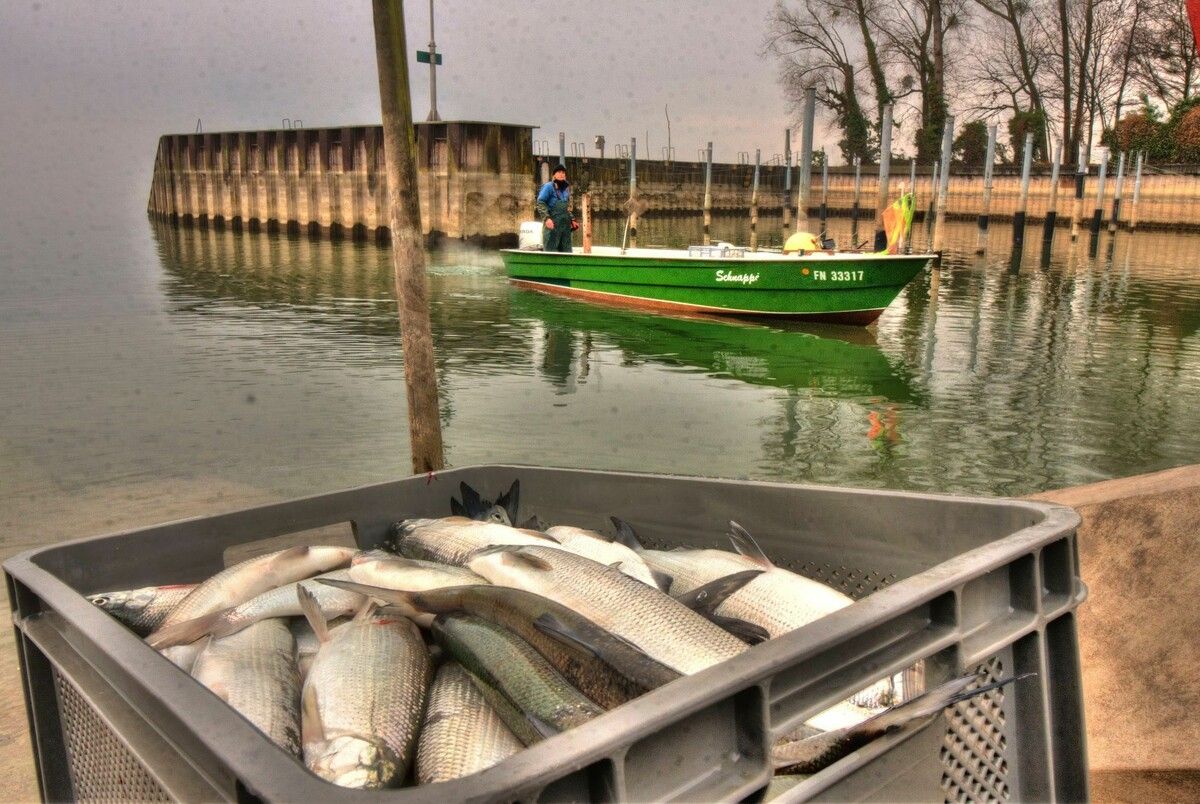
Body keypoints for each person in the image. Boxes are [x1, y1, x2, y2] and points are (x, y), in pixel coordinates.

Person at [535, 164, 579, 252]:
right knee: (551, 251)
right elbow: (540, 202)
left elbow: (566, 208)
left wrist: (572, 219)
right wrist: (547, 218)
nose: (561, 174)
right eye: (559, 172)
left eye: (563, 173)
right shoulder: (548, 186)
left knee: (567, 251)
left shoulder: (566, 189)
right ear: (554, 175)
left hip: (565, 228)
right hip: (552, 227)